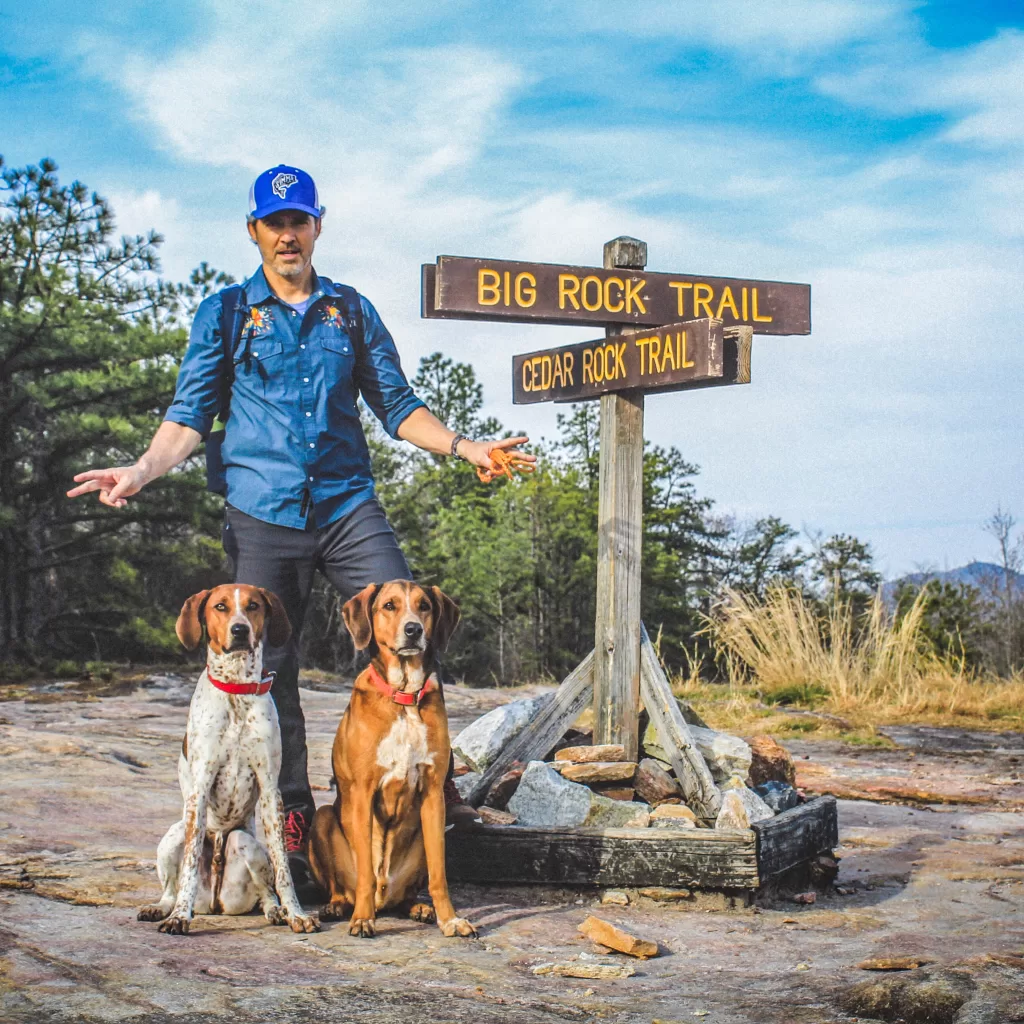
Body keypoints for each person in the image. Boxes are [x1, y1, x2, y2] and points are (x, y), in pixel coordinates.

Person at [68, 164, 533, 895]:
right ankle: (292, 839)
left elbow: (398, 404)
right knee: (267, 679)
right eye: (274, 222)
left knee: (410, 627)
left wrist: (465, 446)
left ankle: (409, 802)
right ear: (253, 230)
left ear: (318, 225)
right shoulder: (225, 313)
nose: (288, 234)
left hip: (348, 507)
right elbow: (189, 416)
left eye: (300, 220)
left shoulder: (350, 311)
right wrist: (140, 471)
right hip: (262, 514)